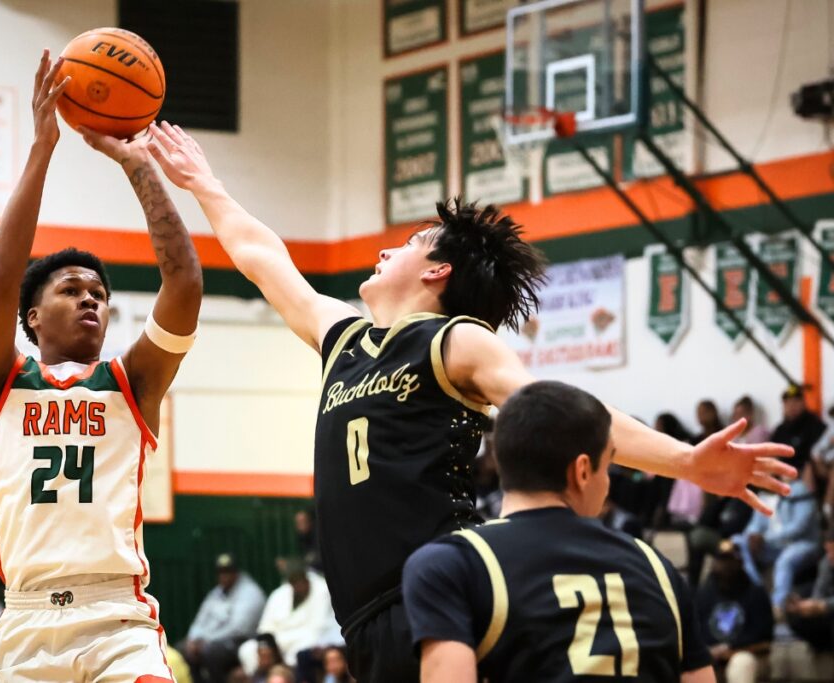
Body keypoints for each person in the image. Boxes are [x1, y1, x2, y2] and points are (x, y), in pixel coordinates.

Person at [145, 120, 794, 682]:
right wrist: (204, 183)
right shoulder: (343, 336)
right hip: (368, 612)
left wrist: (688, 462)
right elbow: (263, 258)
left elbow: (568, 413)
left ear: (437, 272)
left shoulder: (456, 340)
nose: (382, 249)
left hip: (444, 587)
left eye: (405, 244)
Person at [0, 53, 202, 680]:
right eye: (71, 289)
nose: (91, 298)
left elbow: (183, 282)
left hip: (118, 618)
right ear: (33, 318)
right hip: (27, 623)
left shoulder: (131, 383)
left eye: (98, 292)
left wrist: (135, 161)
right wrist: (42, 149)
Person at [400, 381, 713, 682]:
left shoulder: (450, 564)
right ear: (581, 472)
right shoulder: (659, 569)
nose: (608, 483)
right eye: (606, 467)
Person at [731, 472, 821, 610]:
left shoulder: (799, 490)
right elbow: (755, 525)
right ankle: (758, 589)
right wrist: (752, 535)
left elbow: (798, 528)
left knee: (785, 560)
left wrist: (765, 538)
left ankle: (777, 607)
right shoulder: (763, 497)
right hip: (773, 546)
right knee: (737, 541)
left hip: (801, 544)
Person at [239, 560, 341, 673]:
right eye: (294, 582)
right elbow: (264, 628)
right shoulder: (278, 595)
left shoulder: (321, 591)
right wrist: (269, 645)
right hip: (277, 641)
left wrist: (281, 641)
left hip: (303, 640)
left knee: (303, 647)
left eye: (301, 581)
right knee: (246, 649)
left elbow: (316, 629)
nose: (298, 586)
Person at [696, 541, 774, 683]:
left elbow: (765, 643)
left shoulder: (756, 593)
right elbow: (695, 635)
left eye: (729, 561)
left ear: (740, 563)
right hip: (712, 657)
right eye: (721, 561)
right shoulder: (704, 594)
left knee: (741, 663)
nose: (725, 567)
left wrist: (731, 652)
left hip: (749, 656)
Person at [183, 554, 267, 683]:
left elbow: (238, 629)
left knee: (211, 652)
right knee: (184, 649)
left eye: (228, 572)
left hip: (240, 642)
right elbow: (200, 619)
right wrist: (193, 639)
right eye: (220, 572)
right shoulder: (216, 593)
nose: (224, 576)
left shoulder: (250, 592)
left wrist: (206, 640)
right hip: (211, 640)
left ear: (236, 572)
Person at [785, 526, 834, 652]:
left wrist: (824, 605)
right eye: (828, 551)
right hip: (828, 607)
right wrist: (807, 606)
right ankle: (822, 646)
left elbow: (824, 604)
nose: (830, 556)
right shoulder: (827, 563)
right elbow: (819, 593)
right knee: (796, 614)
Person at [770, 384, 825, 472]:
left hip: (806, 475)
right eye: (788, 402)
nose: (792, 406)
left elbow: (818, 455)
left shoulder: (814, 425)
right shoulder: (780, 430)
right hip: (782, 474)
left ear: (803, 403)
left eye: (796, 401)